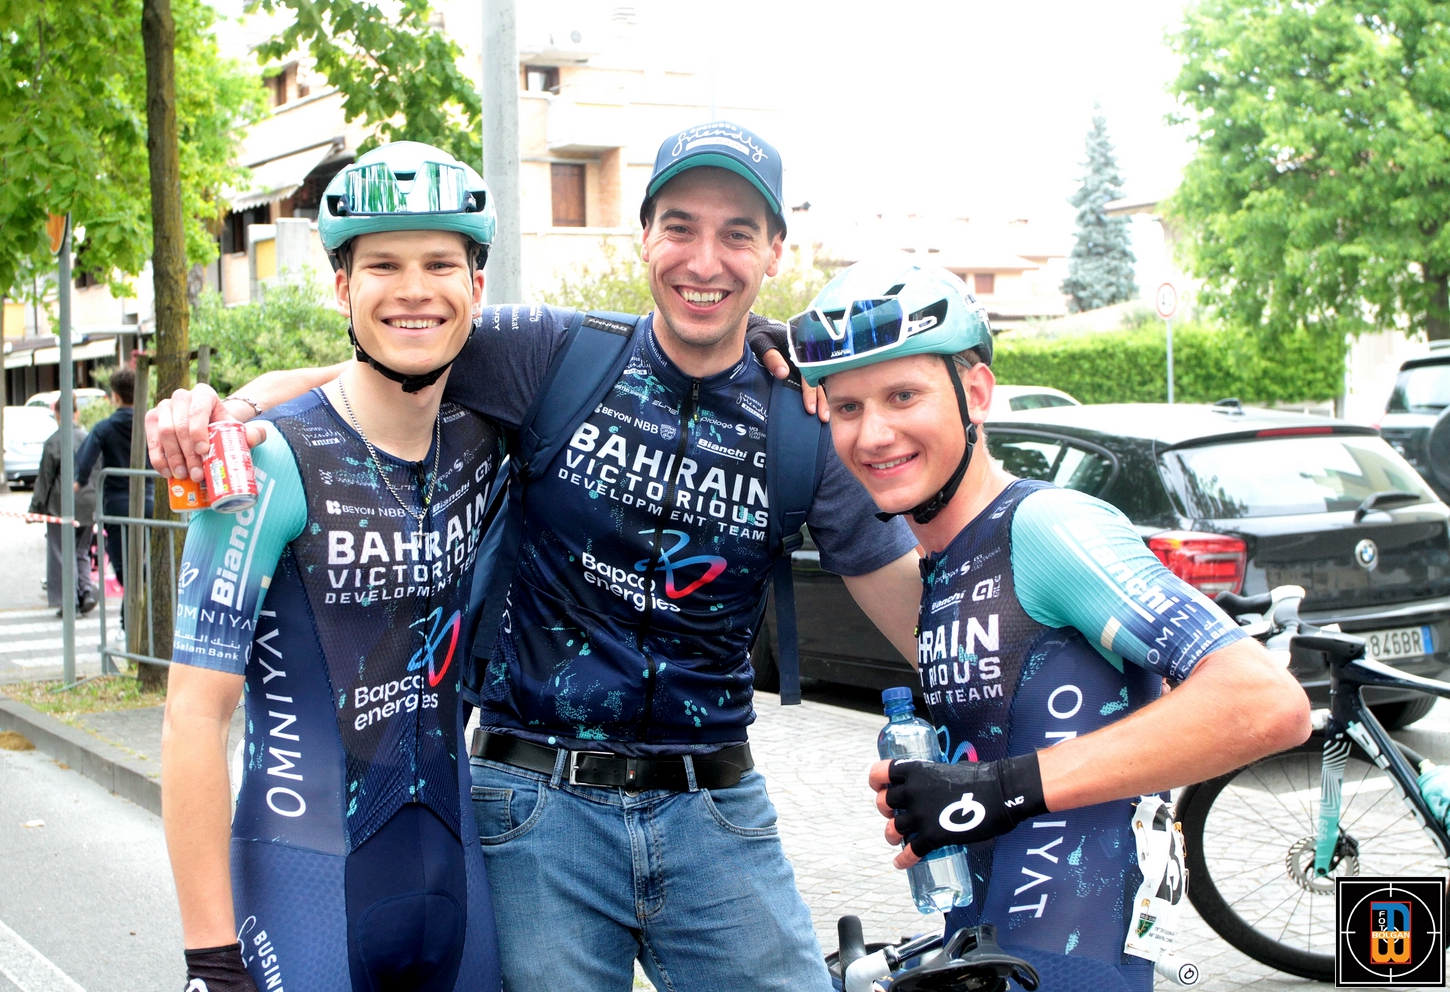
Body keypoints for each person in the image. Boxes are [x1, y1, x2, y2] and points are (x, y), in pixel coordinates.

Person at [147, 122, 925, 992]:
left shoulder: (802, 416)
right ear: (644, 236)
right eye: (680, 227)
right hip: (535, 806)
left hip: (715, 811)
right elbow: (390, 353)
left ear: (776, 251)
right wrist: (230, 406)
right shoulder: (552, 352)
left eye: (737, 234)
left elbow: (919, 620)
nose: (705, 259)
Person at [786, 259, 1312, 991]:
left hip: (1074, 962)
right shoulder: (946, 562)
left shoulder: (1047, 525)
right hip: (994, 954)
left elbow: (1267, 703)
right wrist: (944, 789)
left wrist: (996, 787)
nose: (873, 433)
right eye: (847, 407)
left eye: (903, 395)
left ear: (975, 394)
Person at [162, 142, 503, 992]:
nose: (414, 288)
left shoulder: (485, 432)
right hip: (303, 891)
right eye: (383, 264)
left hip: (460, 887)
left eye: (439, 264)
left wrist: (764, 347)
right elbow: (193, 715)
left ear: (476, 286)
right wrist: (210, 957)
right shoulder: (261, 461)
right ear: (343, 287)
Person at [74, 365, 149, 590]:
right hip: (150, 500)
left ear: (115, 396)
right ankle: (139, 603)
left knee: (124, 569)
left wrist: (79, 481)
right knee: (146, 560)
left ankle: (140, 600)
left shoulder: (105, 428)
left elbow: (84, 460)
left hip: (118, 505)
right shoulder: (149, 424)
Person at [28, 395, 97, 616]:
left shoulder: (53, 442)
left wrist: (35, 510)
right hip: (88, 504)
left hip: (61, 506)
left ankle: (70, 602)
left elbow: (45, 480)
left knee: (61, 553)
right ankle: (86, 591)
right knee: (81, 551)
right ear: (76, 413)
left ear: (57, 414)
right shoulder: (88, 438)